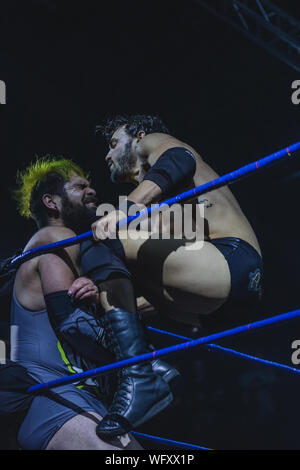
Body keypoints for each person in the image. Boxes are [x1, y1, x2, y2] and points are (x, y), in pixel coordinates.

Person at [10, 156, 174, 449]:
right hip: (53, 398)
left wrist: (98, 296)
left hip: (83, 398)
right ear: (52, 202)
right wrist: (142, 361)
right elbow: (73, 326)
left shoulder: (81, 252)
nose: (92, 191)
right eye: (79, 186)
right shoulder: (54, 237)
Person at [92, 114, 263, 329]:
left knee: (103, 241)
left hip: (231, 258)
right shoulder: (156, 205)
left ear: (139, 137)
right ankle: (125, 346)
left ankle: (134, 357)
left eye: (114, 144)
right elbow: (161, 289)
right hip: (221, 304)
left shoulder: (151, 142)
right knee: (128, 275)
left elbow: (181, 157)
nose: (108, 155)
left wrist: (125, 209)